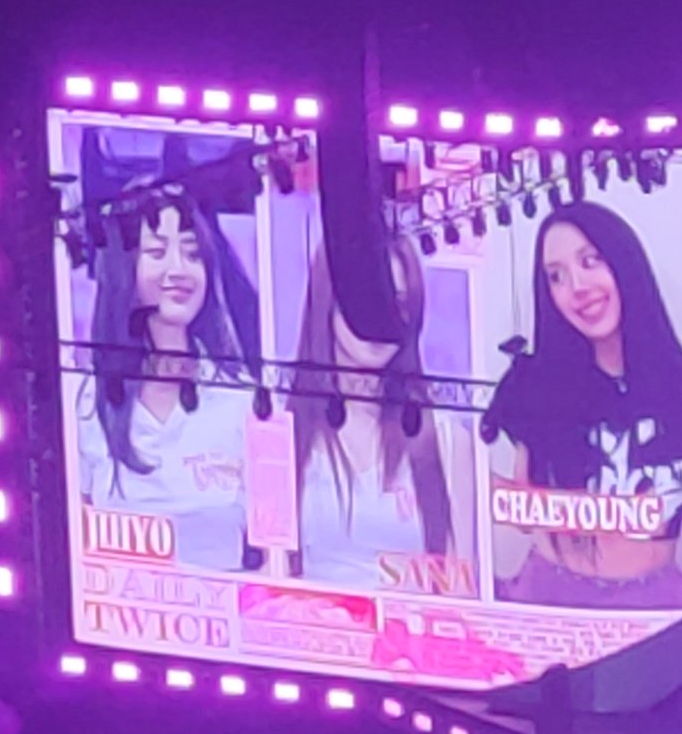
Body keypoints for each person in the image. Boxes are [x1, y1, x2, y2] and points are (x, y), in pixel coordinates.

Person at [484, 202, 682, 609]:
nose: (577, 286)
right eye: (556, 276)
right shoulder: (534, 383)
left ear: (624, 263)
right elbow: (520, 508)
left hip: (657, 604)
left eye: (590, 261)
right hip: (550, 599)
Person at [77, 179, 257, 572]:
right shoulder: (85, 403)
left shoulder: (244, 398)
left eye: (192, 255)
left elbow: (275, 550)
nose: (179, 270)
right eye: (157, 252)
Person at [289, 240, 472, 591]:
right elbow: (269, 575)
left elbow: (459, 590)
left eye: (397, 305)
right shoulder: (284, 431)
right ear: (328, 300)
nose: (379, 322)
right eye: (365, 300)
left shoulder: (446, 441)